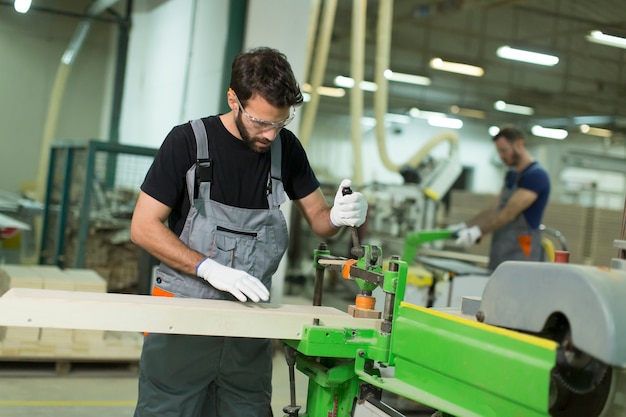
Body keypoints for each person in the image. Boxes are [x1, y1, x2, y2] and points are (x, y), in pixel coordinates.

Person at [129, 46, 368, 417]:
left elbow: (319, 220)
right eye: (261, 122)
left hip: (248, 329)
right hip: (181, 321)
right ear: (233, 99)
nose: (270, 135)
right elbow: (143, 226)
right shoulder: (188, 142)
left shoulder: (285, 150)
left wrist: (339, 215)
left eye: (280, 123)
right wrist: (208, 267)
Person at [451, 124, 550, 271]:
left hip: (522, 250)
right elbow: (494, 209)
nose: (501, 156)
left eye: (504, 150)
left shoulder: (536, 176)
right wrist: (467, 226)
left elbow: (508, 213)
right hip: (503, 246)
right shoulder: (511, 175)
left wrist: (478, 232)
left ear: (519, 144)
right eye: (498, 151)